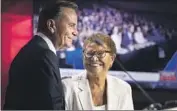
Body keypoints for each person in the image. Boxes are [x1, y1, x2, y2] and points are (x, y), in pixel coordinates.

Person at [3, 1, 78, 110]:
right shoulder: (44, 55)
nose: (75, 32)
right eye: (71, 25)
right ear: (51, 25)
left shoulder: (35, 49)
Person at [62, 33, 134, 110]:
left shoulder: (123, 89)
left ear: (112, 59)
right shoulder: (67, 87)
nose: (94, 58)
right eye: (89, 53)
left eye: (100, 53)